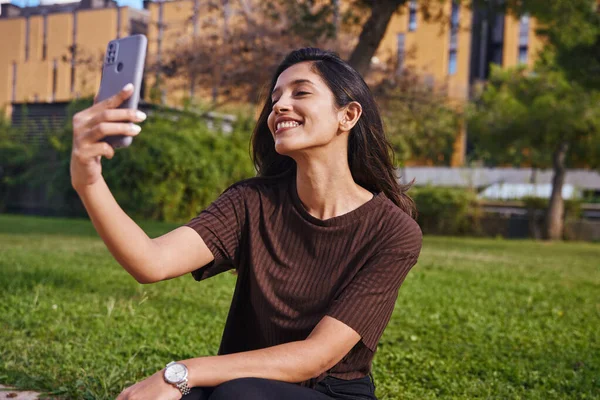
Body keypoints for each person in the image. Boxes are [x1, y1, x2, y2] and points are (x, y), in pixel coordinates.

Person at [70, 47, 422, 400]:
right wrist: (88, 180)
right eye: (275, 98)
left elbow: (314, 357)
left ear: (348, 115)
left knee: (236, 395)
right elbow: (151, 261)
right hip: (239, 384)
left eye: (300, 92)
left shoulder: (393, 232)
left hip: (327, 392)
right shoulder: (250, 202)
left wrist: (179, 373)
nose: (279, 106)